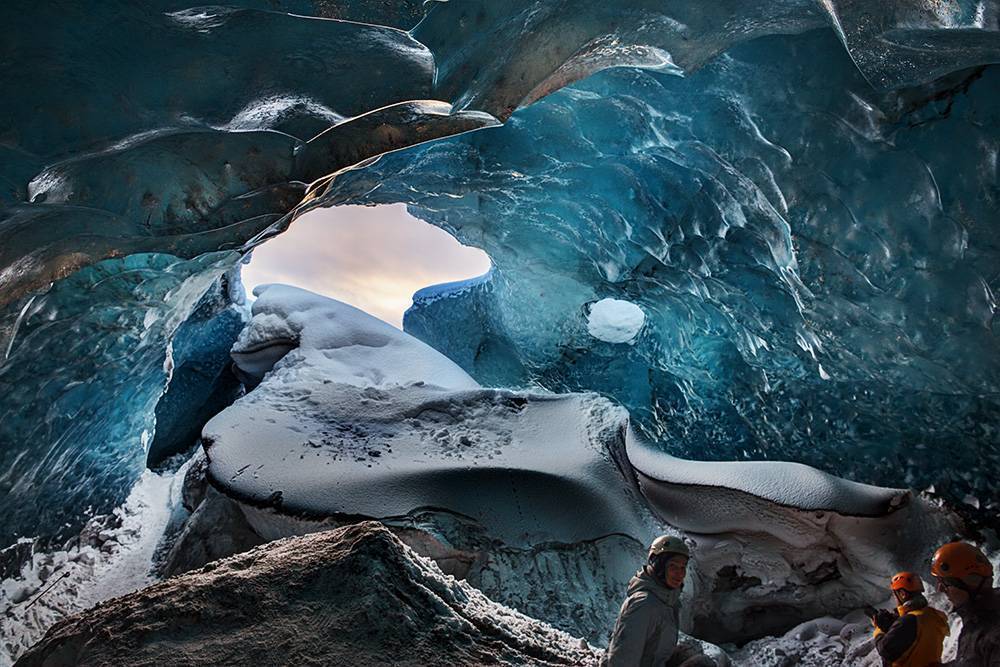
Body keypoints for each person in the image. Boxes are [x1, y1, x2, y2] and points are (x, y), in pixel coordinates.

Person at [602, 535, 715, 667]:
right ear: (658, 565)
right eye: (673, 566)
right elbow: (622, 658)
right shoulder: (644, 604)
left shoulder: (667, 600)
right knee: (703, 664)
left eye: (682, 567)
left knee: (691, 650)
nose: (679, 573)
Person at [931, 541, 1000, 666]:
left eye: (945, 584)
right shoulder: (978, 619)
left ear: (970, 583)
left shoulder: (991, 635)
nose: (940, 589)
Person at [869, 571, 949, 666]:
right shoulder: (934, 614)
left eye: (895, 595)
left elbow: (885, 650)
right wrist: (894, 624)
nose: (895, 598)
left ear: (902, 594)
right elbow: (914, 638)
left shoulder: (910, 620)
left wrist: (879, 629)